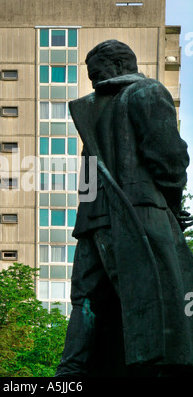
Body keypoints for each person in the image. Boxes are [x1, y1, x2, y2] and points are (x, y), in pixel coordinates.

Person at [55, 39, 193, 377]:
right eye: (91, 76)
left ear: (117, 67)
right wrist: (172, 208)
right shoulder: (147, 92)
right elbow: (168, 158)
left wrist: (88, 220)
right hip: (141, 211)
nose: (94, 81)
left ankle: (70, 374)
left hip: (92, 223)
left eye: (96, 73)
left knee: (88, 302)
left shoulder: (89, 113)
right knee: (156, 300)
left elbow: (86, 182)